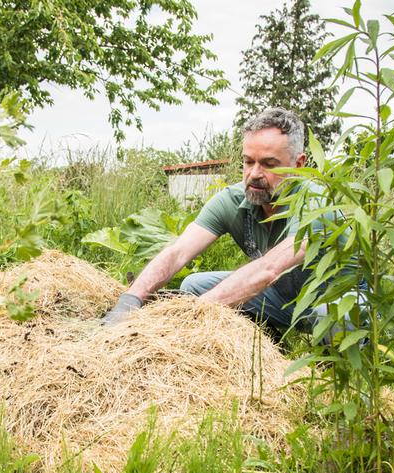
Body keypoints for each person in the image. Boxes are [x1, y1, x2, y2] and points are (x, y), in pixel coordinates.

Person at [101, 107, 340, 335]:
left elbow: (269, 269)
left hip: (333, 301)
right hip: (282, 300)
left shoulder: (316, 203)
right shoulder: (234, 199)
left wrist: (187, 316)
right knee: (194, 285)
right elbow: (178, 252)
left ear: (299, 164)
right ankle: (265, 345)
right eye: (248, 162)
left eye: (268, 164)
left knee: (334, 314)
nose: (254, 174)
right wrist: (130, 300)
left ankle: (330, 370)